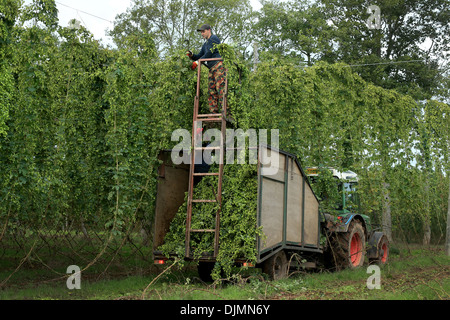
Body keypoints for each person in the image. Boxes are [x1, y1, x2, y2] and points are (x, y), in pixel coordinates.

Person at [187, 24, 227, 115]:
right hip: (211, 69)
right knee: (211, 91)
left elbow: (209, 53)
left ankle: (225, 112)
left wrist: (197, 62)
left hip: (218, 66)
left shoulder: (214, 39)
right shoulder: (205, 44)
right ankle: (213, 113)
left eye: (203, 31)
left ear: (209, 30)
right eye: (201, 32)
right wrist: (192, 55)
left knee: (221, 89)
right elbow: (200, 56)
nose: (202, 34)